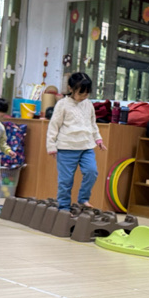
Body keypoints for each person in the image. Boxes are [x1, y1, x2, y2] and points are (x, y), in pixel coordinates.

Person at [47, 72, 106, 210]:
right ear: (70, 89)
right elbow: (54, 126)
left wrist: (98, 139)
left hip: (86, 146)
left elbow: (92, 123)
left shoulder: (88, 104)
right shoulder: (62, 104)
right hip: (66, 147)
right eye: (80, 93)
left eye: (86, 93)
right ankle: (64, 207)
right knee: (66, 180)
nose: (84, 96)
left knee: (92, 172)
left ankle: (83, 199)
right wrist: (51, 145)